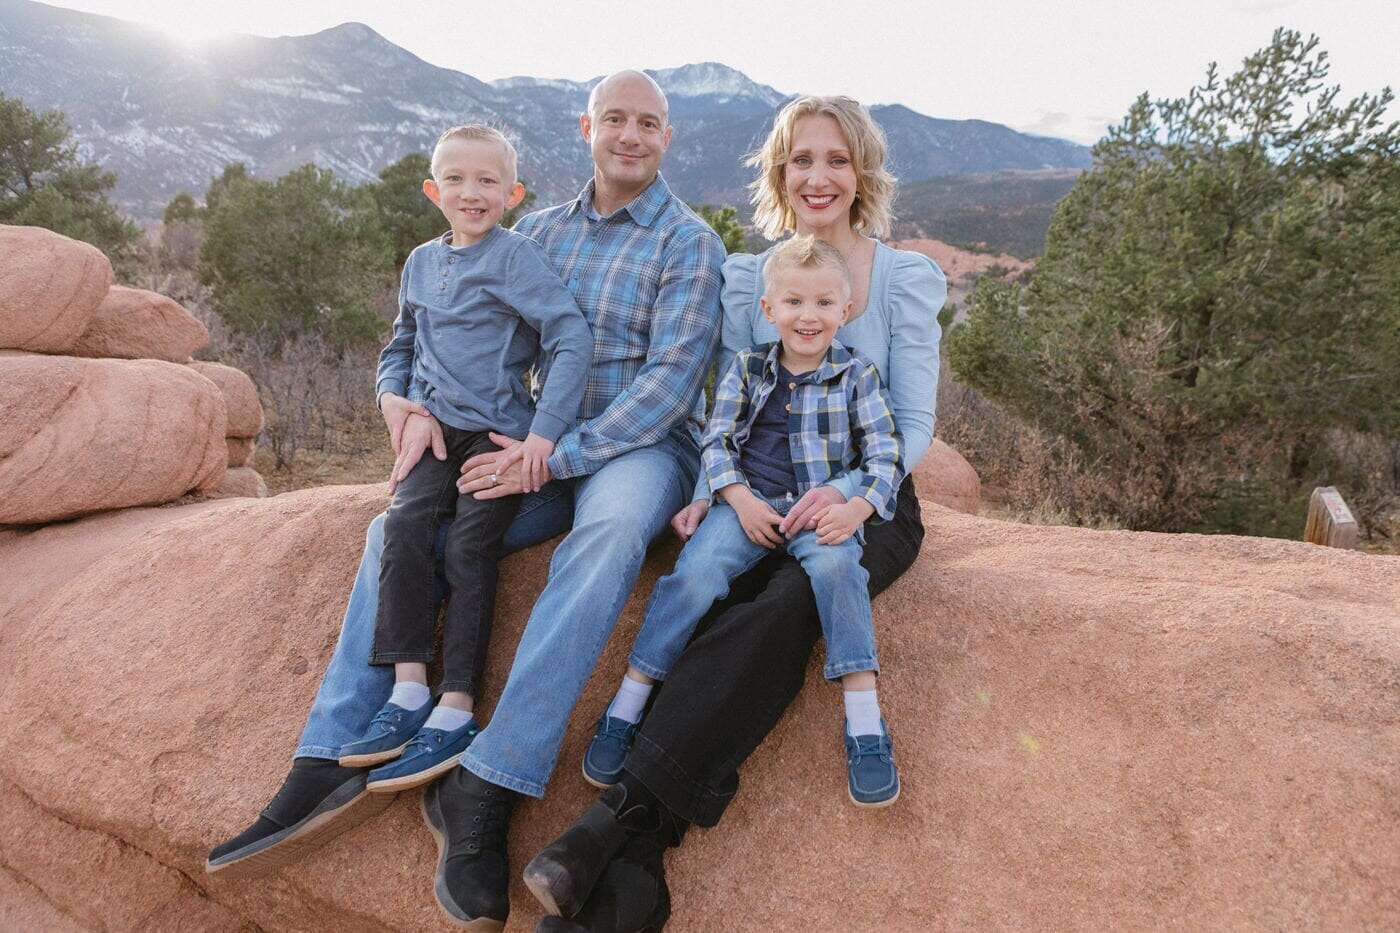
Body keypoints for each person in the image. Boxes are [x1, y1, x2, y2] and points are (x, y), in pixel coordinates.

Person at [205, 71, 726, 931]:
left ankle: (485, 784)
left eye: (650, 123)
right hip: (521, 441)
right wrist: (398, 406)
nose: (631, 135)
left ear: (666, 137)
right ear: (587, 128)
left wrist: (553, 458)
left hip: (632, 450)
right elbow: (433, 332)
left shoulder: (687, 242)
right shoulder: (539, 232)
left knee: (605, 537)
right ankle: (330, 752)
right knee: (399, 524)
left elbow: (671, 385)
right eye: (615, 120)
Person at [523, 94, 946, 932]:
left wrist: (859, 499)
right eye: (800, 160)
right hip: (754, 488)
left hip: (868, 497)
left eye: (835, 159)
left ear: (862, 172)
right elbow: (727, 401)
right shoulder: (752, 279)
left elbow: (917, 422)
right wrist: (706, 493)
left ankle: (613, 821)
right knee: (714, 589)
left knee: (788, 604)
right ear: (778, 174)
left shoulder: (901, 278)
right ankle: (636, 866)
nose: (817, 176)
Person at [579, 235, 905, 813]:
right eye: (795, 303)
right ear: (768, 309)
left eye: (825, 304)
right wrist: (735, 499)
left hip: (819, 509)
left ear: (846, 311)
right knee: (695, 577)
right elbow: (719, 439)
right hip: (747, 504)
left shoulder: (860, 376)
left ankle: (863, 719)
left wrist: (855, 508)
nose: (809, 317)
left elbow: (884, 455)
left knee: (838, 573)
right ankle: (631, 700)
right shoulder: (746, 369)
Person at [336, 124, 592, 796]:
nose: (470, 193)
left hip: (496, 435)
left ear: (513, 193)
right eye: (456, 179)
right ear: (432, 190)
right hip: (433, 431)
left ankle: (455, 706)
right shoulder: (421, 262)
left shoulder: (515, 259)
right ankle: (407, 690)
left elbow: (569, 335)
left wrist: (544, 435)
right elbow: (401, 344)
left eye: (486, 182)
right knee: (405, 526)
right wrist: (396, 401)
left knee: (469, 546)